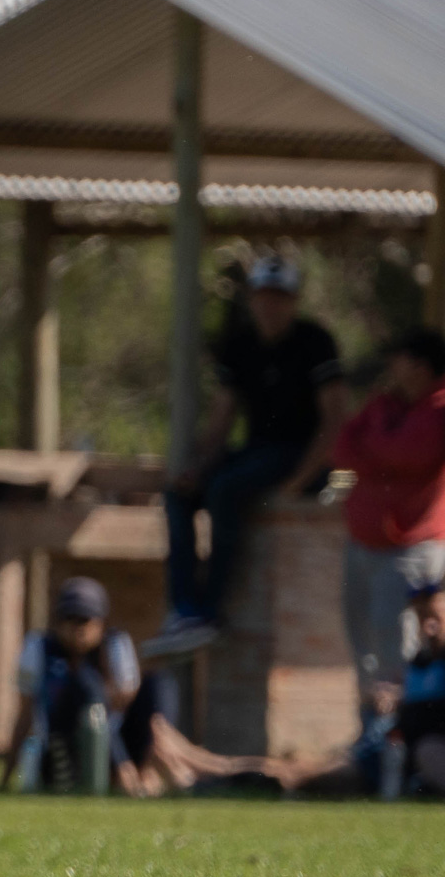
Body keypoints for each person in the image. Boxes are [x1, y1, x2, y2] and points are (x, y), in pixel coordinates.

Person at [144, 255, 349, 659]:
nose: (270, 306)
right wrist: (196, 468)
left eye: (280, 297)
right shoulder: (239, 345)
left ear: (293, 301)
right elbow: (222, 420)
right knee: (179, 494)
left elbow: (335, 420)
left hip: (300, 457)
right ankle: (184, 609)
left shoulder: (315, 342)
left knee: (225, 490)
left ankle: (210, 611)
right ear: (251, 299)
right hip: (256, 452)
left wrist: (298, 481)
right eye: (263, 296)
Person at [333, 327, 445, 731]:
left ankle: (399, 738)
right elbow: (342, 447)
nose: (391, 365)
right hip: (363, 544)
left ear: (420, 365)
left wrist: (373, 449)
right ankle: (371, 736)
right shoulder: (384, 404)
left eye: (398, 357)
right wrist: (378, 452)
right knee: (362, 640)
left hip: (410, 550)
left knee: (396, 646)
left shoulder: (439, 407)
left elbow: (409, 453)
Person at [0, 577, 182, 797]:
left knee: (159, 682)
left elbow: (123, 705)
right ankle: (124, 774)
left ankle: (150, 769)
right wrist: (5, 778)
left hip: (117, 740)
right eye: (69, 619)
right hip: (64, 748)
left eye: (84, 620)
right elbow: (26, 713)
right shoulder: (40, 648)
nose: (77, 629)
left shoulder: (114, 645)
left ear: (100, 622)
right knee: (84, 683)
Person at [266, 582, 445, 796]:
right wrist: (394, 698)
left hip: (429, 747)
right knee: (331, 770)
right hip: (398, 749)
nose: (429, 627)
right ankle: (280, 779)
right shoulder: (420, 662)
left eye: (436, 619)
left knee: (428, 750)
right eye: (423, 618)